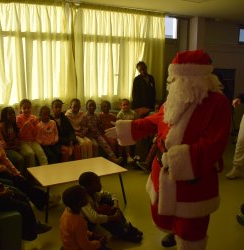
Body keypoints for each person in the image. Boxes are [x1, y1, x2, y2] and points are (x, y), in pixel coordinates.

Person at [106, 50, 231, 249]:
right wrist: (128, 128)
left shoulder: (218, 103)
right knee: (165, 211)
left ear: (195, 78)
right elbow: (155, 119)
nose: (172, 82)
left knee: (191, 226)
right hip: (162, 169)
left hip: (192, 176)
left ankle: (186, 241)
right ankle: (173, 232)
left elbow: (214, 144)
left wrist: (178, 161)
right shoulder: (174, 99)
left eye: (177, 78)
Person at [0, 134, 51, 241]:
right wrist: (2, 194)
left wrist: (0, 186)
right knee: (23, 207)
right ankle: (29, 234)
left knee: (23, 197)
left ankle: (34, 226)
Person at [78, 171, 143, 243]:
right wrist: (113, 217)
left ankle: (125, 225)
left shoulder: (93, 192)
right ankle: (121, 233)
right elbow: (94, 218)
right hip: (87, 224)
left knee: (108, 199)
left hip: (92, 217)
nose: (100, 185)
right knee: (103, 212)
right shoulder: (83, 199)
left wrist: (116, 205)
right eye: (97, 183)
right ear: (88, 186)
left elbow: (111, 194)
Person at [59, 184, 109, 250]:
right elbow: (85, 247)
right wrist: (99, 243)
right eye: (85, 196)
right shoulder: (78, 222)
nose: (87, 197)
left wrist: (92, 235)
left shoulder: (67, 211)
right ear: (80, 202)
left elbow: (75, 232)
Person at [81, 100, 122, 164]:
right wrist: (89, 129)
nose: (92, 107)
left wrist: (100, 126)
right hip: (89, 135)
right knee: (95, 145)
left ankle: (113, 158)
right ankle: (95, 161)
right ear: (87, 107)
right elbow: (83, 126)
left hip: (97, 134)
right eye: (90, 106)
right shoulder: (85, 116)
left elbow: (99, 124)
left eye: (93, 106)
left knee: (104, 143)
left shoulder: (96, 115)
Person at [16, 99, 48, 167]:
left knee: (40, 152)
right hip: (23, 141)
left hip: (33, 141)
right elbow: (20, 135)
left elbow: (36, 133)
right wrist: (26, 125)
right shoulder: (18, 118)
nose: (26, 110)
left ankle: (46, 169)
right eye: (24, 108)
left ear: (31, 108)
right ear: (21, 109)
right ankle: (32, 173)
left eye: (28, 108)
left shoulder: (34, 118)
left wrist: (34, 126)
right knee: (30, 154)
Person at [0, 106, 25, 173]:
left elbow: (16, 137)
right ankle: (18, 177)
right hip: (7, 149)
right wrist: (14, 147)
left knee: (27, 154)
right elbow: (4, 145)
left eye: (13, 113)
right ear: (4, 116)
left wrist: (16, 142)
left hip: (13, 146)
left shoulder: (12, 124)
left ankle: (25, 175)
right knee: (19, 159)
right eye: (10, 114)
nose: (13, 115)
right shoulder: (1, 126)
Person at [116, 99, 138, 164]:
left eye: (127, 104)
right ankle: (125, 156)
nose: (125, 106)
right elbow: (118, 124)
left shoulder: (133, 113)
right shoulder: (120, 114)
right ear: (121, 106)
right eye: (124, 105)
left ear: (129, 105)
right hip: (123, 131)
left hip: (132, 130)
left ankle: (135, 157)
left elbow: (137, 122)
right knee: (125, 137)